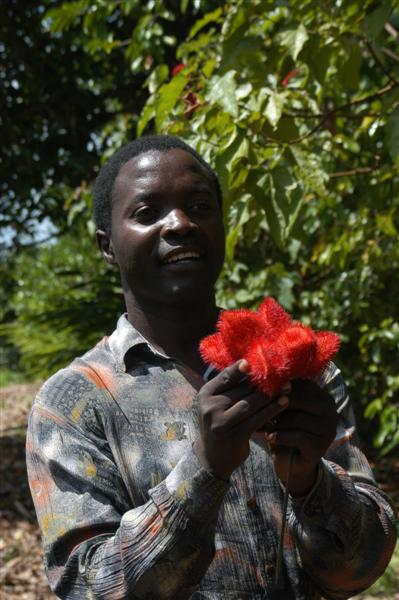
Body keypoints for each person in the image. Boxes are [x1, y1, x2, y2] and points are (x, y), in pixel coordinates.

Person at [27, 135, 396, 600]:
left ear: (222, 227)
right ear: (107, 247)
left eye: (200, 206)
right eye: (147, 213)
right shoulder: (74, 402)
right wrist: (204, 470)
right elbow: (88, 587)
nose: (180, 223)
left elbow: (359, 573)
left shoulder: (298, 368)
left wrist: (311, 483)